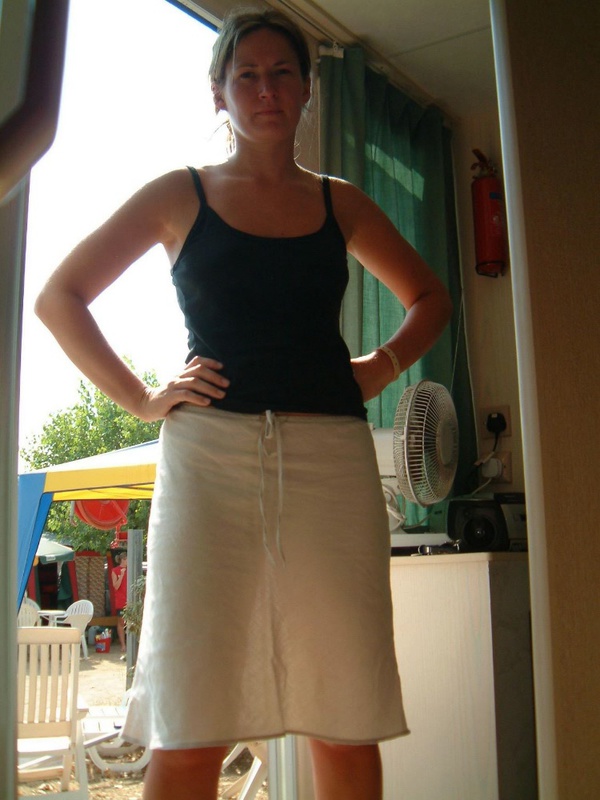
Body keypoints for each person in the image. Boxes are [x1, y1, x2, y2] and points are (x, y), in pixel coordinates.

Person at [35, 8, 452, 799]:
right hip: (209, 465)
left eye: (283, 72)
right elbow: (61, 297)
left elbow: (431, 297)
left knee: (346, 714)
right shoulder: (178, 193)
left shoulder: (341, 203)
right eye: (248, 75)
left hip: (330, 465)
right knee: (194, 718)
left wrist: (384, 364)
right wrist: (142, 398)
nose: (266, 89)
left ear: (307, 90)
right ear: (219, 93)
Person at [111, 552, 128, 653]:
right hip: (121, 600)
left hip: (130, 600)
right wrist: (121, 575)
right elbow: (116, 586)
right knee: (121, 622)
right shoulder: (115, 571)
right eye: (126, 560)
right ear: (123, 560)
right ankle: (123, 645)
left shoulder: (131, 570)